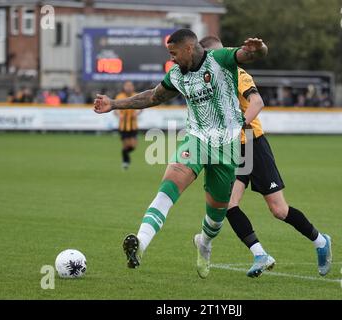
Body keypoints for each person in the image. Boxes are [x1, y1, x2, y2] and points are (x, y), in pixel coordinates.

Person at [93, 29, 269, 278]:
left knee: (216, 216)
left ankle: (204, 245)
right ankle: (140, 244)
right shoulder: (176, 74)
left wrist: (259, 48)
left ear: (189, 48)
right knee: (169, 185)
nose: (172, 59)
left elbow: (253, 55)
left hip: (228, 147)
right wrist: (113, 104)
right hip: (196, 139)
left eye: (173, 53)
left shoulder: (220, 59)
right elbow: (153, 96)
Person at [200, 36, 332, 278]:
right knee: (228, 204)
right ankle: (260, 254)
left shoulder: (238, 74)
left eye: (208, 56)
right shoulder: (208, 81)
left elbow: (257, 102)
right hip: (232, 148)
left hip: (252, 144)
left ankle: (321, 241)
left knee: (279, 210)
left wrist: (240, 123)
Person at [114, 81, 140, 169]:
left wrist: (137, 113)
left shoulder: (137, 95)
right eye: (127, 86)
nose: (129, 87)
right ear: (124, 87)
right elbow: (115, 109)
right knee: (126, 145)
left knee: (133, 146)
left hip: (133, 125)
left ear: (133, 87)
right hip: (123, 126)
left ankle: (125, 155)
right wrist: (119, 114)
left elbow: (142, 108)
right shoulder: (119, 96)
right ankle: (126, 162)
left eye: (130, 86)